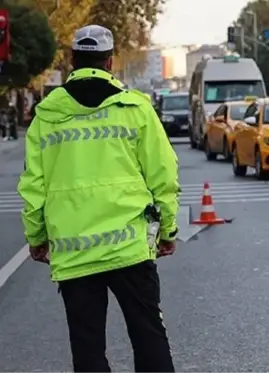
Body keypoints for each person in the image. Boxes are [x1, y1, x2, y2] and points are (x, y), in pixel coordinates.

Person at [17, 25, 179, 373]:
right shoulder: (135, 107)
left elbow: (33, 186)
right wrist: (168, 229)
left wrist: (36, 237)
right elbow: (163, 174)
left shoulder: (46, 115)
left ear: (72, 59)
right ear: (110, 61)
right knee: (148, 334)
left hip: (76, 251)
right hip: (130, 247)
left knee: (87, 346)